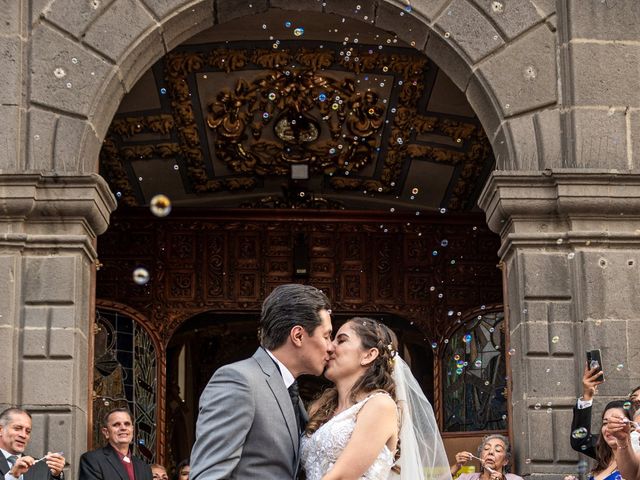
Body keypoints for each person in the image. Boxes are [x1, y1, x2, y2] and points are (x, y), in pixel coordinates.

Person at [190, 284, 334, 479]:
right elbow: (210, 475)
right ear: (298, 336)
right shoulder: (238, 381)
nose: (331, 347)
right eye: (326, 336)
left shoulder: (293, 395)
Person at [300, 317, 451, 480]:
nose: (330, 347)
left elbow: (342, 477)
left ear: (369, 355)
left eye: (341, 340)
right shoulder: (322, 409)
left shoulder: (380, 405)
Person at [571, 365, 640, 457]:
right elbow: (581, 441)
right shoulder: (613, 442)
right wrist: (587, 395)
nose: (638, 399)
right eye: (633, 397)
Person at [78, 408, 152, 480]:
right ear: (106, 432)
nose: (123, 428)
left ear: (132, 430)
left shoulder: (144, 468)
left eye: (127, 424)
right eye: (116, 424)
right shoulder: (92, 460)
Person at [0, 408, 65, 480]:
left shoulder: (42, 468)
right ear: (0, 430)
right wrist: (12, 476)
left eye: (28, 431)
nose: (23, 435)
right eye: (17, 428)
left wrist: (56, 475)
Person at [583, 400, 631, 480]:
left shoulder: (635, 464)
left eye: (617, 422)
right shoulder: (604, 460)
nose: (609, 428)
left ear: (631, 426)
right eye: (605, 423)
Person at [449, 434, 523, 480]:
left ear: (505, 461)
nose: (490, 452)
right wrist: (457, 466)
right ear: (481, 456)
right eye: (486, 448)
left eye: (497, 450)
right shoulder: (466, 478)